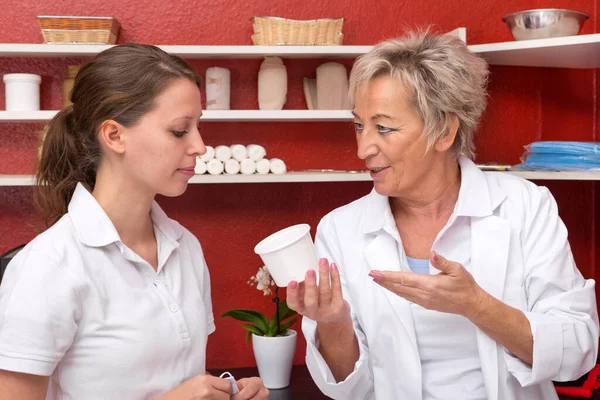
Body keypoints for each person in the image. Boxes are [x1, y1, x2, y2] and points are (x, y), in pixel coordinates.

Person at [286, 31, 599, 400]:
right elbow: (348, 388)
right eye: (359, 125)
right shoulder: (340, 230)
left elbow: (577, 350)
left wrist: (475, 305)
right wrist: (333, 322)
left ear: (445, 131)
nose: (362, 148)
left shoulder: (525, 207)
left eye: (383, 127)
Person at [0, 43, 268, 400]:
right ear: (114, 136)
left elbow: (167, 376)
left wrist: (221, 391)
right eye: (179, 130)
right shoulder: (48, 266)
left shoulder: (184, 247)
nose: (200, 146)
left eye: (198, 127)